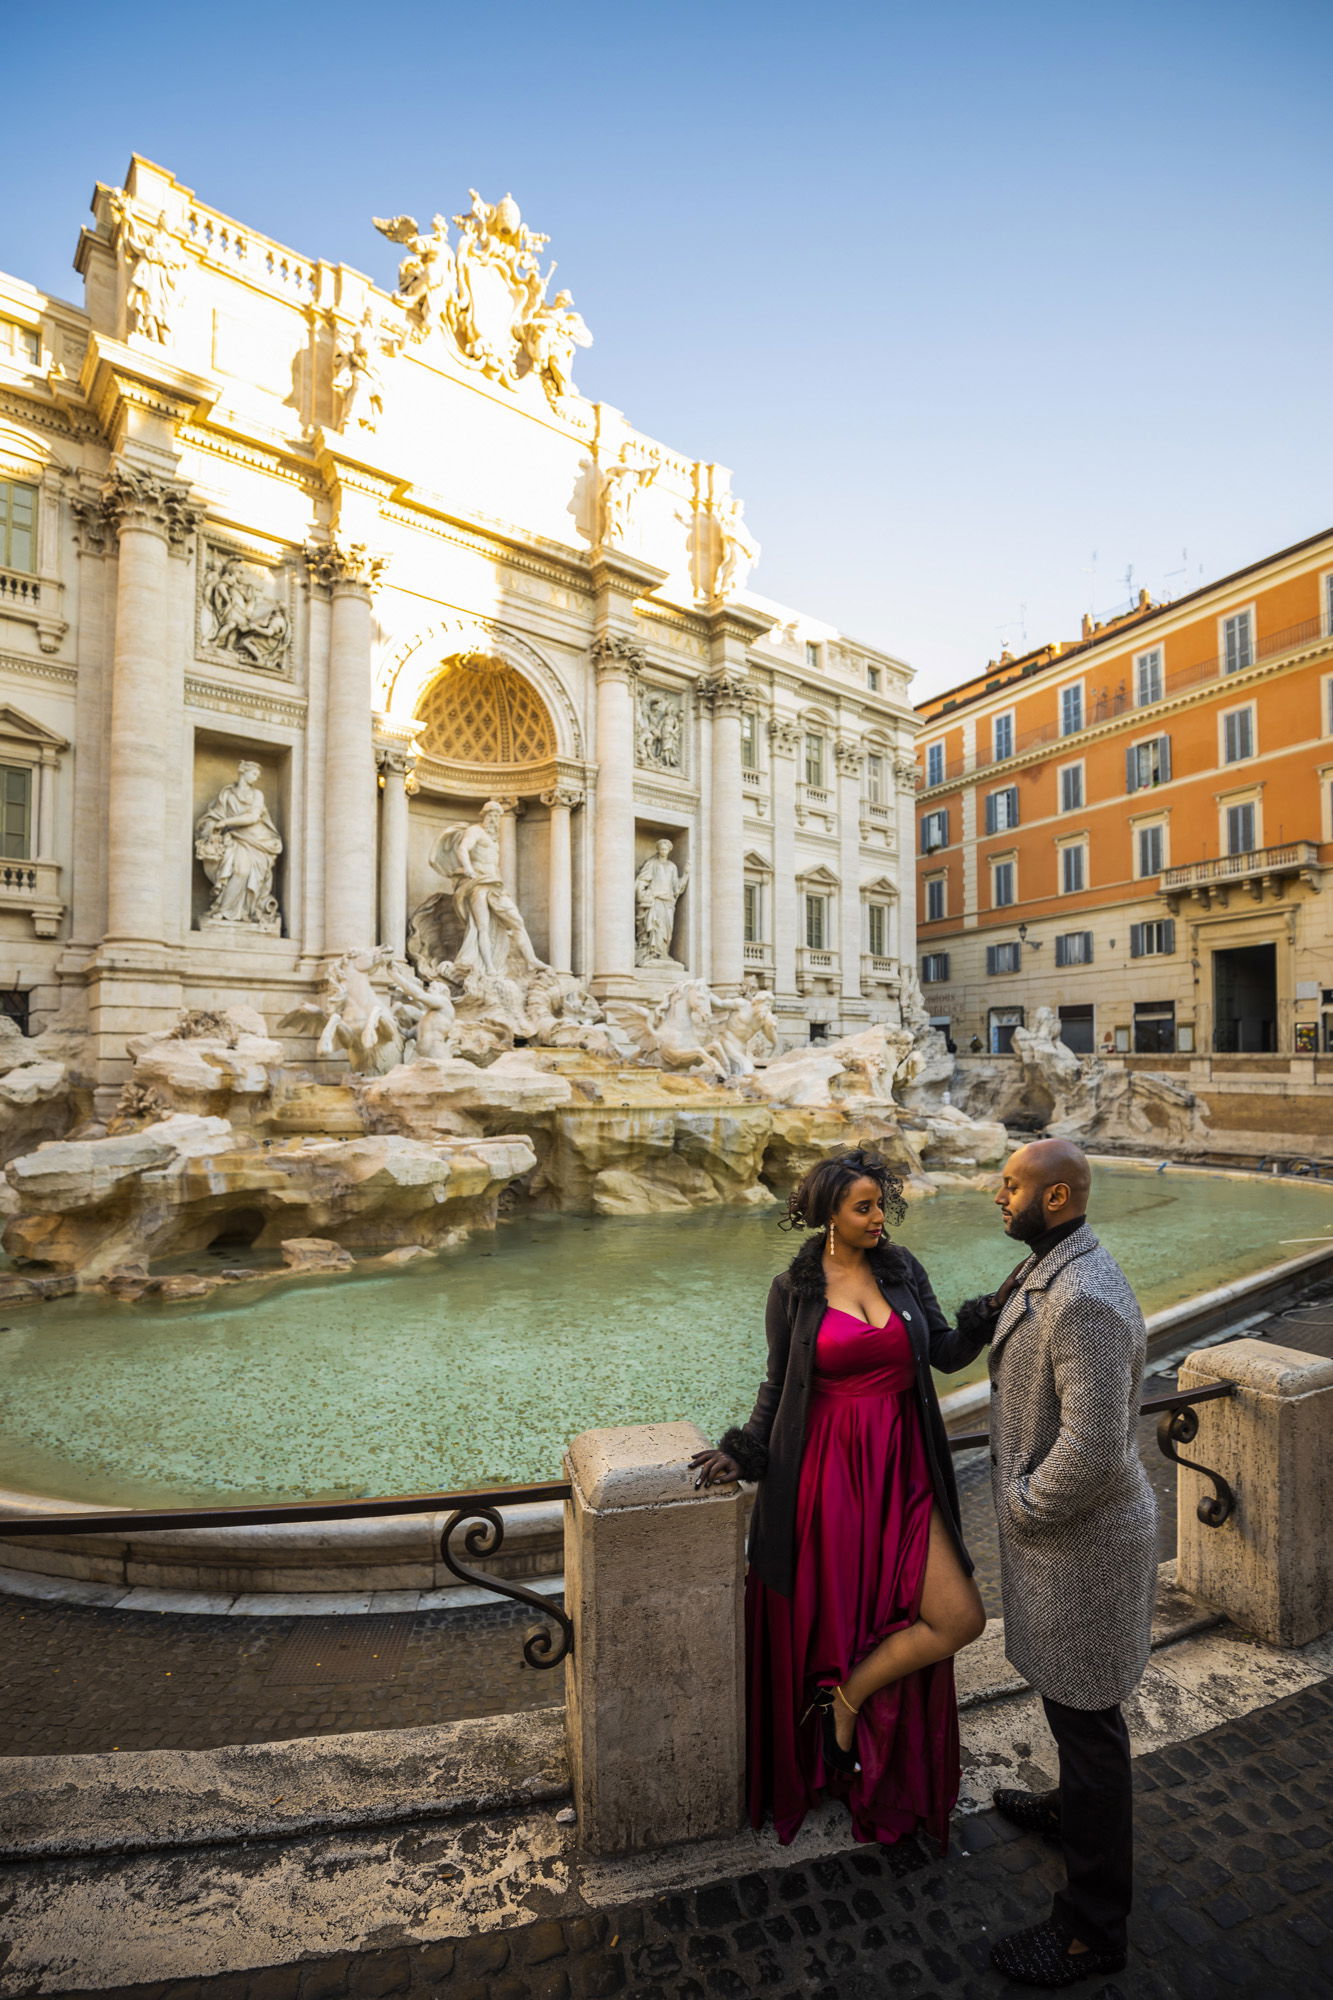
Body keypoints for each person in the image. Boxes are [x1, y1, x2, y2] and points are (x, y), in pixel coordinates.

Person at [690, 1149, 992, 1849]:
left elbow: (943, 1352)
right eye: (863, 1206)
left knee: (957, 1616)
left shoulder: (902, 1268)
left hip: (904, 1469)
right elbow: (776, 1387)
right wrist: (742, 1451)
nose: (878, 1216)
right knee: (842, 1619)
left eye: (881, 1203)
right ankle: (840, 1761)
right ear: (828, 1214)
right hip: (825, 1482)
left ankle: (846, 1702)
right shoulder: (791, 1289)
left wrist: (987, 1315)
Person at [982, 1138, 1157, 1988]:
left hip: (1081, 1548)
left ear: (1054, 1199)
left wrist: (1021, 1506)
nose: (995, 1194)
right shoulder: (1052, 1266)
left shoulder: (1080, 1294)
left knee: (1090, 1730)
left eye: (1009, 1185)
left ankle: (1092, 1932)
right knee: (1074, 1711)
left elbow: (1092, 1447)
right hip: (1070, 1547)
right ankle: (1065, 1810)